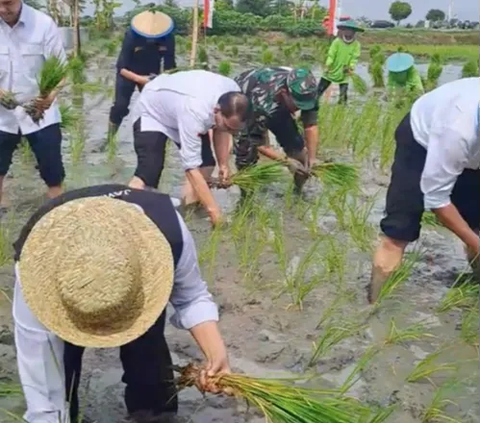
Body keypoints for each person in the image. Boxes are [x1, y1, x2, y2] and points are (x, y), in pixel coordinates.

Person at [12, 185, 230, 423]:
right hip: (65, 290)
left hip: (132, 279)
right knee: (60, 379)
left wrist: (216, 354)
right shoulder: (37, 269)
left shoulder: (166, 231)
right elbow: (40, 381)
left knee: (149, 362)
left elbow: (192, 296)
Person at [368, 77, 480, 304]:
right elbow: (437, 199)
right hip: (420, 142)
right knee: (398, 232)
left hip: (468, 154)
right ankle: (374, 306)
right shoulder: (456, 130)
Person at [129, 69, 250, 227]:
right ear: (216, 111)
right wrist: (215, 213)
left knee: (206, 165)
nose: (232, 133)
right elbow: (190, 168)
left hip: (180, 107)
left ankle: (188, 214)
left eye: (236, 130)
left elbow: (222, 130)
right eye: (229, 127)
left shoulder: (234, 96)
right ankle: (127, 214)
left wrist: (223, 165)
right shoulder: (195, 111)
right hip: (153, 111)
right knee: (149, 171)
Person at [0, 0, 66, 210]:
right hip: (2, 115)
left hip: (40, 113)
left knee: (53, 172)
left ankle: (57, 213)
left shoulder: (43, 24)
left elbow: (61, 70)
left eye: (8, 3)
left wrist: (49, 98)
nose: (3, 10)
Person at [234, 66, 319, 192]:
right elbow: (257, 143)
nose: (301, 109)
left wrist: (312, 159)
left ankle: (297, 193)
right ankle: (246, 198)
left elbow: (311, 126)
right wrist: (286, 161)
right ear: (285, 93)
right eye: (298, 105)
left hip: (278, 103)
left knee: (300, 154)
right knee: (246, 158)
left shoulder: (308, 93)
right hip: (246, 99)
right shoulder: (260, 100)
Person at [107, 10, 176, 143]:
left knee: (157, 107)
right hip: (128, 73)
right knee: (120, 106)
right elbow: (121, 67)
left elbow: (170, 66)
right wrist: (140, 79)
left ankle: (156, 140)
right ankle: (110, 140)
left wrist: (162, 80)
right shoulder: (131, 36)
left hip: (151, 74)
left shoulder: (168, 38)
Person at [317, 20, 364, 105]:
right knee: (318, 92)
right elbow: (331, 55)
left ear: (354, 32)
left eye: (351, 30)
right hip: (331, 69)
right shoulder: (337, 42)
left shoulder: (356, 45)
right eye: (346, 30)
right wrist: (328, 65)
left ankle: (341, 109)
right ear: (343, 30)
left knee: (343, 97)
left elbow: (354, 58)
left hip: (344, 71)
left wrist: (350, 67)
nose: (348, 32)